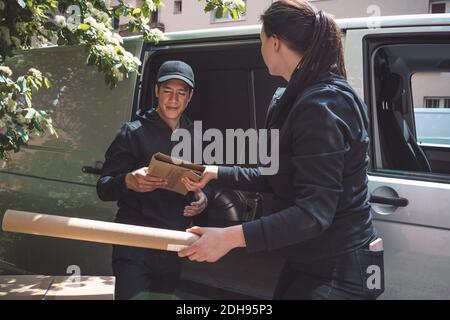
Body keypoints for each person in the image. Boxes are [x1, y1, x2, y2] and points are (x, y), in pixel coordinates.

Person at [179, 0, 385, 300]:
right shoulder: (297, 96)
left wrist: (229, 238)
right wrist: (214, 173)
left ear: (275, 43)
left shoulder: (322, 105)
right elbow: (277, 173)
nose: (260, 47)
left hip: (342, 267)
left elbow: (313, 214)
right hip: (310, 260)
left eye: (261, 40)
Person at [97, 60, 214, 300]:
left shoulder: (197, 136)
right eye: (167, 91)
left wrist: (203, 197)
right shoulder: (132, 132)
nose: (173, 99)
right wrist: (129, 180)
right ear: (156, 92)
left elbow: (207, 182)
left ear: (190, 96)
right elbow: (104, 188)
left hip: (174, 241)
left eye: (181, 93)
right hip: (133, 241)